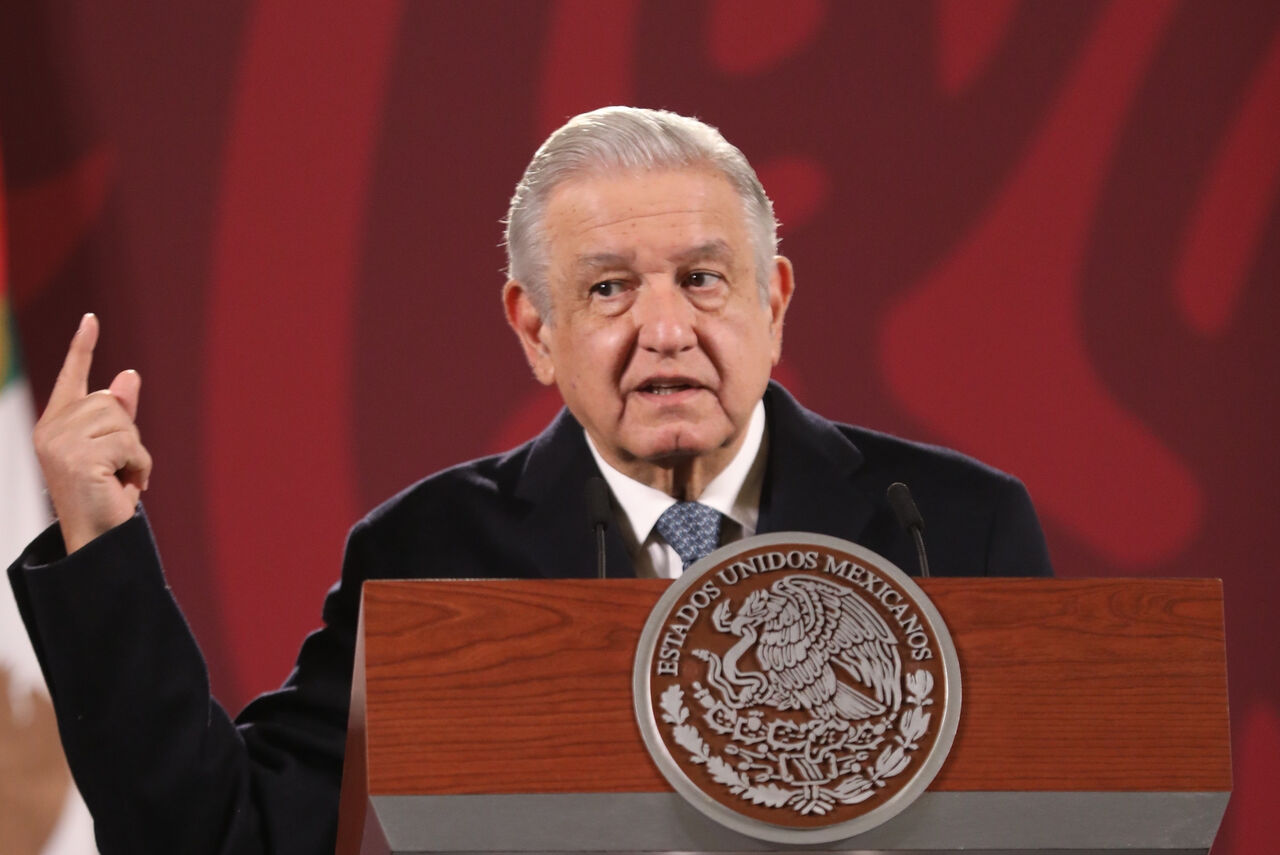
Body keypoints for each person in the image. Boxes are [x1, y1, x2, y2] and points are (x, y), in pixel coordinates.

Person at [9, 107, 1052, 855]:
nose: (665, 329)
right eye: (609, 289)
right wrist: (101, 544)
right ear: (536, 330)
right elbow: (226, 836)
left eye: (701, 279)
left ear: (771, 303)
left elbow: (1078, 820)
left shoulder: (951, 528)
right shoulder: (431, 555)